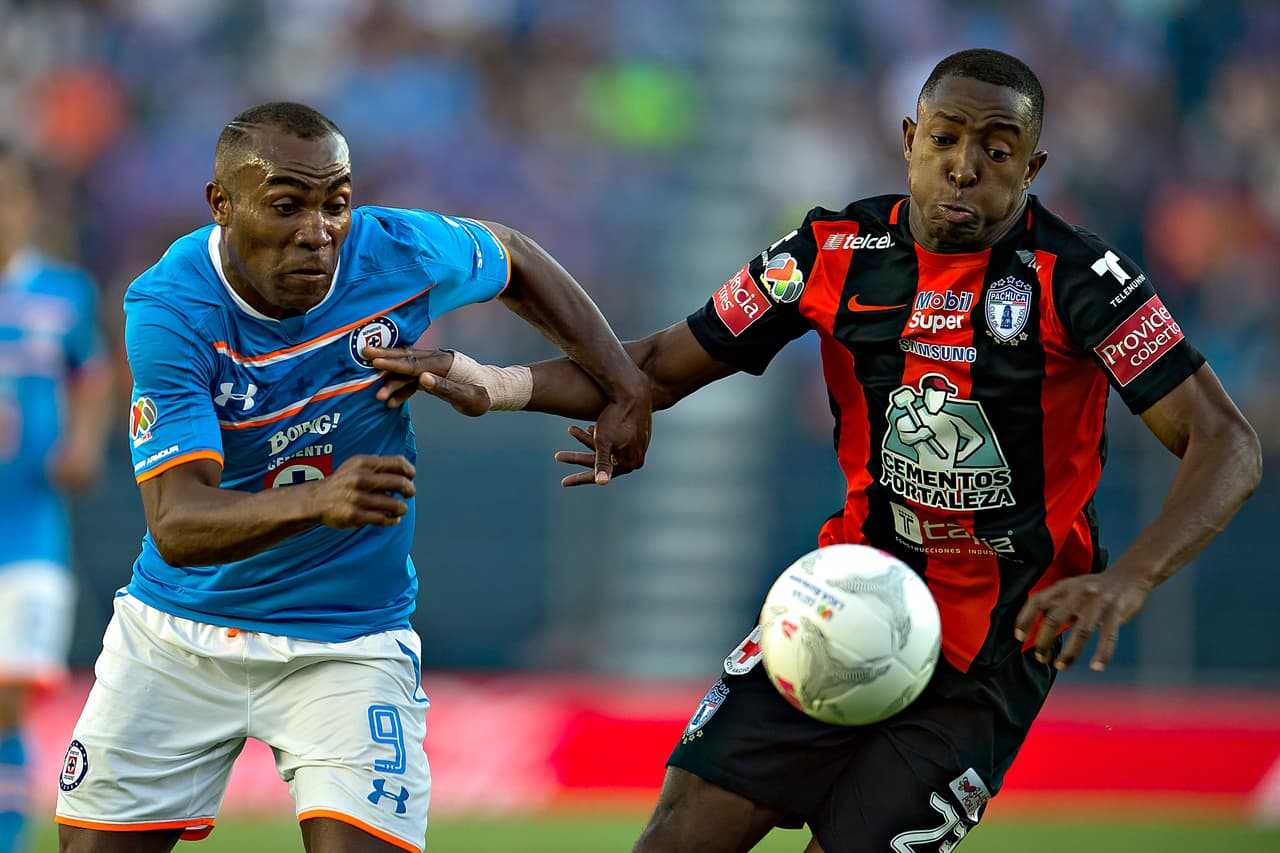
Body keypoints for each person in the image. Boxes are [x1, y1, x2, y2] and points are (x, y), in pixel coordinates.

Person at [365, 49, 1262, 852]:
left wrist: (1128, 578)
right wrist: (493, 380)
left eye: (997, 150)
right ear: (909, 139)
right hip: (841, 603)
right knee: (678, 837)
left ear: (1033, 167)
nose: (965, 166)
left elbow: (1226, 441)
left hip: (992, 652)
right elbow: (659, 366)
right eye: (946, 138)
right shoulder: (831, 251)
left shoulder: (1083, 279)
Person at [53, 101, 651, 853]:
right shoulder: (171, 308)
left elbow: (515, 256)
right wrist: (322, 500)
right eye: (286, 205)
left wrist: (624, 386)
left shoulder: (394, 251)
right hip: (178, 638)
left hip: (347, 641)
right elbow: (176, 523)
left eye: (335, 204)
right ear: (221, 204)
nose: (318, 232)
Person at [0, 141, 113, 853]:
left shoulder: (62, 292)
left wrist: (82, 443)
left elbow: (93, 376)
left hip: (29, 530)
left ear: (27, 203)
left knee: (8, 697)